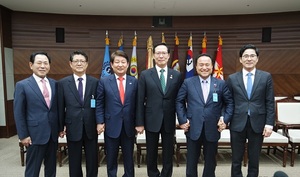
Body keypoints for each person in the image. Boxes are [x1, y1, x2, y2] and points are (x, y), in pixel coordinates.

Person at [176, 53, 234, 177]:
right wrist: (182, 120)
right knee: (191, 161)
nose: (204, 67)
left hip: (213, 127)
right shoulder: (188, 82)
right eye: (201, 65)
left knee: (210, 161)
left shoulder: (220, 84)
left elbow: (229, 103)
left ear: (212, 66)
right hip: (192, 127)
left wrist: (225, 119)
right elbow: (179, 101)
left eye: (207, 64)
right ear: (196, 67)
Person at [226, 44, 275, 177]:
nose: (249, 58)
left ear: (257, 59)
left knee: (254, 158)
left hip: (258, 123)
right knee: (236, 158)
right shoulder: (232, 78)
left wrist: (269, 124)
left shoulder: (266, 77)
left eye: (252, 55)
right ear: (240, 59)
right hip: (237, 122)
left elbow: (270, 101)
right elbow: (227, 102)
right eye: (245, 56)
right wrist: (224, 119)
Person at [136, 43, 182, 177]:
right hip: (151, 119)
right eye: (158, 53)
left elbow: (180, 99)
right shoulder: (145, 74)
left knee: (168, 151)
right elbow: (139, 100)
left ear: (168, 56)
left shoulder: (176, 75)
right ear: (154, 56)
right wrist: (139, 122)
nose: (161, 56)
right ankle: (153, 174)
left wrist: (181, 119)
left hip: (169, 119)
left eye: (163, 53)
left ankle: (167, 174)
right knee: (151, 151)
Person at [14, 52, 59, 177]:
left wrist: (60, 128)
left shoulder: (55, 84)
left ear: (49, 65)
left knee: (51, 169)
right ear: (31, 65)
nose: (42, 66)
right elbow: (19, 112)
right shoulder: (22, 85)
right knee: (33, 170)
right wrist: (23, 135)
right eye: (39, 63)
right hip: (34, 135)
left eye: (46, 63)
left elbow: (57, 109)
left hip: (52, 134)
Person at [96, 50, 137, 177]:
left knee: (129, 158)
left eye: (123, 62)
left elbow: (138, 104)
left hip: (129, 125)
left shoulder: (134, 81)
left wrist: (139, 122)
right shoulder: (104, 81)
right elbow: (99, 103)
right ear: (112, 65)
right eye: (117, 62)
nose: (120, 65)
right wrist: (99, 122)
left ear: (128, 64)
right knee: (111, 158)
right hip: (111, 125)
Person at [58, 50, 98, 177]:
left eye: (82, 61)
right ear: (70, 64)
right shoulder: (63, 83)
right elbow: (60, 107)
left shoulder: (95, 82)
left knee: (92, 159)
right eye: (76, 61)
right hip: (72, 126)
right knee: (74, 160)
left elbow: (99, 105)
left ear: (87, 64)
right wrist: (61, 126)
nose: (79, 63)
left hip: (91, 126)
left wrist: (100, 123)